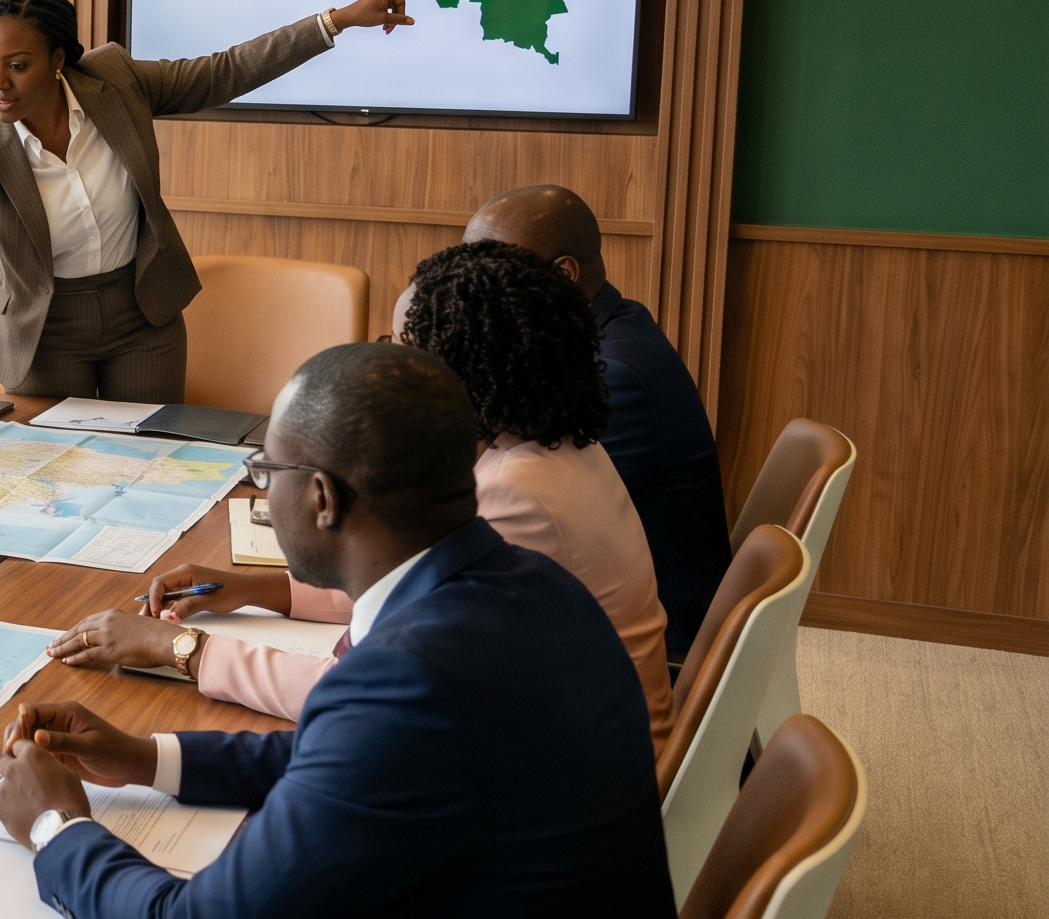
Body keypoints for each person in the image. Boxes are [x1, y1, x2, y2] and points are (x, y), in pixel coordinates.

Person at [0, 343, 683, 919]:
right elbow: (346, 758)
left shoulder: (409, 681)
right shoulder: (534, 585)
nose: (263, 493)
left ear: (322, 498)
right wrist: (147, 757)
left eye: (266, 472)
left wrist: (55, 827)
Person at [54, 242, 676, 752]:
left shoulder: (516, 495)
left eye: (403, 347)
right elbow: (407, 590)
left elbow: (363, 696)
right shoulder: (544, 445)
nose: (387, 359)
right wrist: (254, 590)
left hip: (574, 771)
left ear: (453, 372)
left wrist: (179, 649)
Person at [0, 0, 419, 455]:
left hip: (141, 312)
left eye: (18, 66)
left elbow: (226, 70)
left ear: (58, 59)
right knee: (58, 472)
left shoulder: (115, 79)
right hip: (43, 330)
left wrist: (337, 20)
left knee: (150, 459)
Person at [466, 182, 728, 652]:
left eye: (488, 269)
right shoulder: (608, 329)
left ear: (562, 274)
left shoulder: (612, 373)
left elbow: (506, 520)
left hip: (649, 642)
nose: (468, 288)